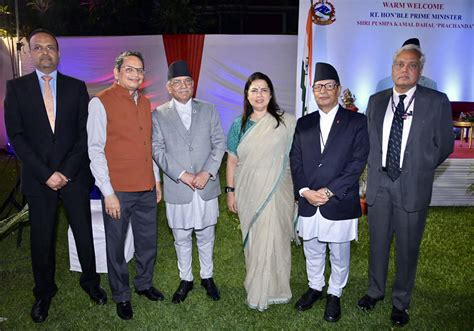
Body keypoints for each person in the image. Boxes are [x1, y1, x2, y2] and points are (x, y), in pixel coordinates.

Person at [4, 29, 106, 323]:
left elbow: (83, 134)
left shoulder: (76, 87)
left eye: (50, 48)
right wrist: (47, 174)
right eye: (38, 48)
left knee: (84, 233)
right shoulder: (16, 88)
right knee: (42, 240)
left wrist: (66, 171)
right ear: (30, 53)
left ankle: (91, 283)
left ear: (58, 54)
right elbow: (17, 137)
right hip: (39, 180)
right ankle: (44, 293)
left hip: (73, 176)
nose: (45, 52)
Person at [357, 43, 454, 326]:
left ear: (420, 71)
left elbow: (445, 145)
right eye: (400, 64)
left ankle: (401, 302)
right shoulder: (375, 101)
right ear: (392, 69)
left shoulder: (436, 101)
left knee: (408, 247)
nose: (405, 70)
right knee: (377, 243)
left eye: (412, 65)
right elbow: (368, 142)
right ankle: (375, 291)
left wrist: (419, 169)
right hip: (379, 184)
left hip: (412, 185)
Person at [289, 63, 369, 322]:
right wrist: (304, 191)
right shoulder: (304, 123)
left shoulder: (356, 121)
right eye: (318, 87)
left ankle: (334, 292)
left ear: (338, 89)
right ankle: (315, 287)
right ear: (312, 91)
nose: (322, 91)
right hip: (309, 200)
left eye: (328, 86)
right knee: (311, 248)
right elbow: (296, 160)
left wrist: (330, 191)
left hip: (339, 200)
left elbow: (358, 161)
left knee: (338, 251)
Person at [87, 51, 163, 320]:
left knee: (147, 241)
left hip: (145, 187)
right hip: (117, 189)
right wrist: (107, 193)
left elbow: (148, 145)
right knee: (116, 245)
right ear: (116, 72)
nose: (136, 74)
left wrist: (156, 179)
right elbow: (95, 150)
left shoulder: (145, 102)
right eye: (130, 69)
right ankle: (121, 295)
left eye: (140, 70)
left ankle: (143, 284)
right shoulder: (100, 102)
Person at [152, 60, 225, 304]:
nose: (183, 86)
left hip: (206, 186)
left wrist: (207, 172)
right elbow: (157, 150)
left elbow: (219, 144)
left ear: (193, 85)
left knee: (206, 234)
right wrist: (183, 175)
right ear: (169, 87)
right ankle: (186, 279)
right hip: (178, 187)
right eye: (177, 83)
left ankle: (207, 276)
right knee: (181, 236)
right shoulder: (159, 114)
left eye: (187, 82)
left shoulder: (208, 109)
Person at [226, 72, 296, 311]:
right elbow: (232, 160)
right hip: (247, 191)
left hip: (277, 191)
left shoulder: (285, 122)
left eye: (264, 90)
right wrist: (230, 191)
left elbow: (292, 158)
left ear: (271, 93)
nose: (259, 95)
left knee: (276, 237)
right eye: (254, 90)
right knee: (255, 241)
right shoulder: (239, 124)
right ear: (247, 94)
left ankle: (276, 288)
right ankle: (257, 285)